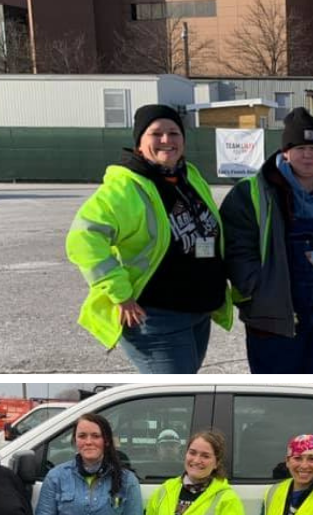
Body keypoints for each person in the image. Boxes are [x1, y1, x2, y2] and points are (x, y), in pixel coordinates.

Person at [66, 104, 233, 374]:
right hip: (156, 317)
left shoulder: (188, 176)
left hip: (199, 311)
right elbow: (84, 237)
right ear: (139, 143)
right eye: (156, 133)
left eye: (174, 133)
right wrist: (120, 293)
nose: (167, 140)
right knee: (175, 393)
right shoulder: (125, 187)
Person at [221, 107, 313, 373]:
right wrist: (257, 290)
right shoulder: (252, 192)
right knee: (278, 392)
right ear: (285, 152)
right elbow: (236, 247)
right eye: (300, 148)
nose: (307, 155)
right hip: (274, 320)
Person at [31, 413, 143, 515]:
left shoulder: (127, 482)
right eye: (82, 436)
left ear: (106, 441)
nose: (88, 442)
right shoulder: (56, 477)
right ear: (75, 440)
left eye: (96, 436)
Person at [143, 429, 247, 515]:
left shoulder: (227, 500)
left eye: (205, 456)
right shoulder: (164, 491)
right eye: (192, 453)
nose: (197, 460)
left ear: (216, 463)